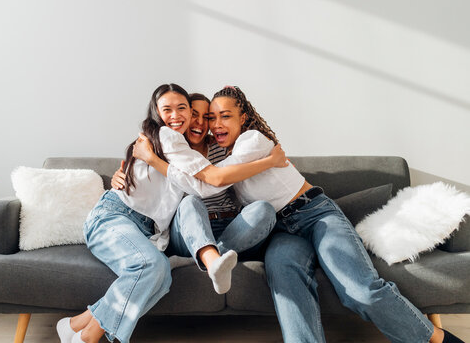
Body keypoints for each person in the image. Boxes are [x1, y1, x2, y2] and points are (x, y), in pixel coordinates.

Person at [132, 85, 464, 343]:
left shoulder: (252, 141)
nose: (215, 123)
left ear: (243, 118)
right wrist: (129, 164)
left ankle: (435, 338)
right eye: (211, 117)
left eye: (225, 116)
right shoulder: (223, 155)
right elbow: (197, 173)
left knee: (359, 290)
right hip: (281, 232)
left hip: (314, 214)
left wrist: (271, 160)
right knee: (288, 285)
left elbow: (213, 179)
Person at [56, 84, 287, 343]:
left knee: (160, 275)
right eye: (169, 109)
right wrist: (136, 167)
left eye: (190, 112)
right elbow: (205, 183)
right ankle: (86, 338)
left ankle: (73, 326)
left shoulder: (205, 147)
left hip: (151, 228)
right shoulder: (165, 138)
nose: (186, 118)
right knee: (152, 266)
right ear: (157, 112)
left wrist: (269, 160)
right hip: (119, 216)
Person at [112, 92, 278, 293]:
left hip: (232, 228)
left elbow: (252, 154)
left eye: (206, 117)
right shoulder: (169, 149)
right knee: (190, 201)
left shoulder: (223, 148)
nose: (199, 122)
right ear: (186, 117)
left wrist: (272, 160)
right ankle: (209, 257)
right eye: (194, 115)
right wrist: (121, 175)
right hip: (190, 227)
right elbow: (141, 176)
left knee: (264, 209)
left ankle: (202, 260)